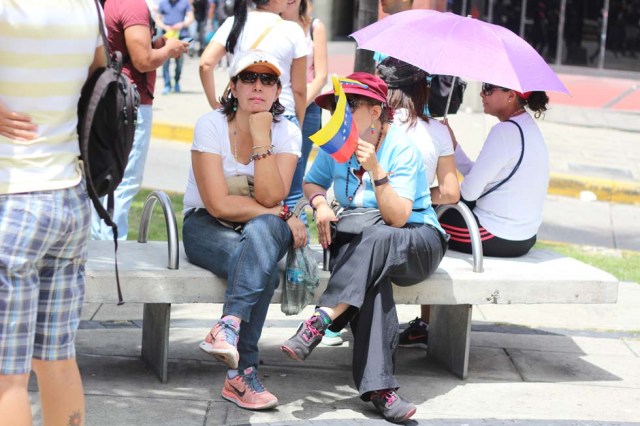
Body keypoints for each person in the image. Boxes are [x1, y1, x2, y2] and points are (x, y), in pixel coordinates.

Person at [280, 72, 448, 423]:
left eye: (350, 105)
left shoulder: (401, 147)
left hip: (415, 240)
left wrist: (376, 170)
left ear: (376, 111)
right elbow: (312, 182)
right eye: (338, 105)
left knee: (376, 236)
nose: (341, 112)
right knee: (372, 283)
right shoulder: (339, 146)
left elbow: (399, 218)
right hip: (363, 246)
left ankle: (323, 318)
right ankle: (381, 391)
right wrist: (321, 204)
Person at [0, 1, 107, 424]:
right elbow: (98, 80)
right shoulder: (84, 7)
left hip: (13, 200)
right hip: (69, 199)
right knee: (57, 359)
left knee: (8, 378)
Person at [182, 50, 306, 411]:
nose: (258, 86)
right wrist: (282, 213)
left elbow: (271, 194)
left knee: (263, 234)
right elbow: (218, 203)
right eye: (249, 78)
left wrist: (260, 136)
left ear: (278, 90)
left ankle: (228, 326)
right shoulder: (210, 125)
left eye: (268, 80)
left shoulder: (287, 132)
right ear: (232, 87)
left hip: (263, 230)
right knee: (263, 271)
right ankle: (242, 375)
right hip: (207, 225)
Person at [377, 57, 460, 349]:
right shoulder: (437, 131)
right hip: (417, 234)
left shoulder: (374, 127)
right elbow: (451, 192)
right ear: (422, 91)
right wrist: (420, 194)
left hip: (374, 222)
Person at [92, 0, 189, 241]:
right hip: (130, 102)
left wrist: (155, 44)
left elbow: (128, 48)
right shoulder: (132, 5)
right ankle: (113, 245)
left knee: (107, 180)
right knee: (124, 182)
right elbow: (143, 60)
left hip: (114, 98)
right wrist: (169, 50)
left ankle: (101, 244)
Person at [439, 83, 550, 258]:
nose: (482, 94)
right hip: (524, 237)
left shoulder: (505, 131)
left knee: (423, 220)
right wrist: (453, 146)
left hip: (496, 235)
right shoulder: (526, 126)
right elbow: (482, 178)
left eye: (489, 88)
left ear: (511, 96)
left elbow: (468, 193)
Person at [199, 0, 307, 130]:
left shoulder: (233, 22)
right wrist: (299, 123)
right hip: (282, 115)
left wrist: (214, 103)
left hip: (239, 114)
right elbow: (299, 90)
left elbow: (205, 64)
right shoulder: (293, 30)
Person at [156, 0, 194, 94]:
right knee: (165, 61)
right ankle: (167, 84)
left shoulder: (185, 3)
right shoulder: (163, 3)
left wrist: (182, 24)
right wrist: (164, 27)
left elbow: (191, 17)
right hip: (167, 36)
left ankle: (177, 81)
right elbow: (158, 19)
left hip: (181, 36)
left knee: (179, 62)